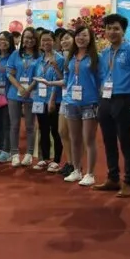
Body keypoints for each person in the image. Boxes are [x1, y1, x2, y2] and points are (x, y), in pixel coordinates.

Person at [94, 14, 130, 198]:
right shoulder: (105, 53)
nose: (112, 32)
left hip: (123, 99)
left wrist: (129, 97)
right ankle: (113, 177)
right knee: (108, 141)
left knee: (125, 141)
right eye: (108, 28)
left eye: (116, 28)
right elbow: (102, 75)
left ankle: (129, 182)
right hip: (106, 99)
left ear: (123, 31)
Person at [61, 25, 101, 186]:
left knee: (89, 139)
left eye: (84, 35)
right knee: (74, 138)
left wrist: (101, 101)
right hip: (71, 102)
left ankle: (90, 173)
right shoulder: (71, 58)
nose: (81, 38)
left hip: (90, 102)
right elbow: (67, 79)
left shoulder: (96, 58)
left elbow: (101, 80)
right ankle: (76, 170)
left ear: (90, 38)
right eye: (78, 35)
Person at [32, 31, 65, 172]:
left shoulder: (60, 59)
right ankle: (44, 158)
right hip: (39, 99)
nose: (46, 43)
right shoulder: (39, 60)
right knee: (43, 129)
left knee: (55, 130)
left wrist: (52, 99)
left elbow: (61, 79)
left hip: (54, 99)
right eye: (43, 40)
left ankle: (56, 160)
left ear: (54, 42)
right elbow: (37, 79)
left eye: (48, 40)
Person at [7, 27, 40, 166]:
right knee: (14, 125)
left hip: (32, 94)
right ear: (22, 39)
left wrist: (29, 88)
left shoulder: (39, 56)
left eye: (32, 38)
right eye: (26, 37)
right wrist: (20, 87)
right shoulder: (15, 54)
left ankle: (29, 154)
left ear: (36, 40)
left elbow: (40, 75)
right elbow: (9, 74)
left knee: (30, 126)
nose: (29, 40)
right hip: (15, 93)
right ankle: (14, 154)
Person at [0, 31, 15, 162]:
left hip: (9, 94)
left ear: (10, 42)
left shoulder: (14, 56)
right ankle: (1, 149)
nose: (3, 42)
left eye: (6, 40)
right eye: (0, 39)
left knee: (7, 123)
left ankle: (7, 151)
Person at [56, 29, 75, 177]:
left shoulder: (79, 57)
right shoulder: (63, 57)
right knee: (62, 131)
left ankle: (76, 164)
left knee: (75, 134)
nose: (64, 41)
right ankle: (69, 162)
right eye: (62, 39)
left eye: (67, 38)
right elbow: (64, 80)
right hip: (65, 97)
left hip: (78, 100)